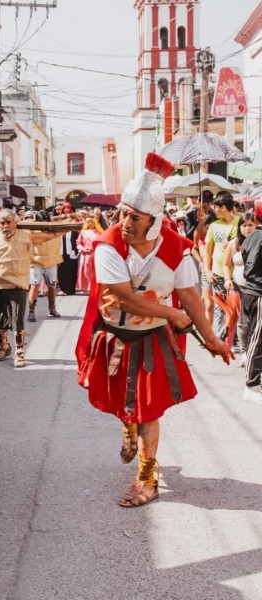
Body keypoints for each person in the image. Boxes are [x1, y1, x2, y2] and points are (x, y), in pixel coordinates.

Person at [76, 153, 232, 508]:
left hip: (152, 342)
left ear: (155, 221)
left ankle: (147, 478)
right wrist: (171, 314)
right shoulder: (108, 245)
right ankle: (128, 425)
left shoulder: (177, 250)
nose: (125, 222)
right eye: (123, 213)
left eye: (135, 217)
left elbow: (189, 296)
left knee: (148, 410)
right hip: (116, 336)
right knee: (125, 403)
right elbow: (125, 298)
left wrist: (212, 339)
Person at [0, 208, 65, 368]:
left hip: (18, 283)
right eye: (2, 223)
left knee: (17, 319)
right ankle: (3, 346)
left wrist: (70, 227)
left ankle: (19, 351)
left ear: (16, 222)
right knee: (0, 318)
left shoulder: (26, 235)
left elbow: (49, 235)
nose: (5, 226)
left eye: (8, 222)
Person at [204, 192, 240, 339]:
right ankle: (218, 340)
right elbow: (207, 251)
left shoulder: (241, 222)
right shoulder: (214, 226)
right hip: (217, 273)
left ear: (223, 207)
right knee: (219, 307)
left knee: (235, 308)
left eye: (215, 207)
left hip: (237, 274)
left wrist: (234, 243)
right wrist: (207, 271)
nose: (213, 210)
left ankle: (233, 338)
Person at [223, 210, 256, 365]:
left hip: (256, 289)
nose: (247, 228)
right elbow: (225, 265)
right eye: (244, 225)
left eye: (250, 225)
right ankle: (244, 351)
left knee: (256, 321)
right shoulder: (234, 243)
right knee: (243, 322)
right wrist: (227, 279)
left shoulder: (259, 241)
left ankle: (255, 351)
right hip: (239, 287)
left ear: (256, 225)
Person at [239, 204, 262, 403]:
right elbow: (253, 265)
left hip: (250, 291)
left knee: (256, 334)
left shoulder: (251, 237)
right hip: (258, 292)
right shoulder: (257, 237)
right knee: (257, 336)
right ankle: (251, 384)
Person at [24, 211, 62, 322]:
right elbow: (25, 222)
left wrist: (53, 219)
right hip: (36, 261)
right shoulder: (32, 230)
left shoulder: (55, 228)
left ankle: (52, 308)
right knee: (35, 285)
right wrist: (36, 222)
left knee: (52, 286)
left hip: (51, 261)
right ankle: (31, 311)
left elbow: (67, 220)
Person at [76, 218, 103, 292]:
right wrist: (82, 249)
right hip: (86, 254)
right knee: (86, 271)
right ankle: (89, 287)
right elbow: (78, 243)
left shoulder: (99, 232)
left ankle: (95, 287)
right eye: (89, 222)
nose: (90, 223)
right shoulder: (83, 231)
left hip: (96, 255)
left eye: (92, 222)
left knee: (96, 271)